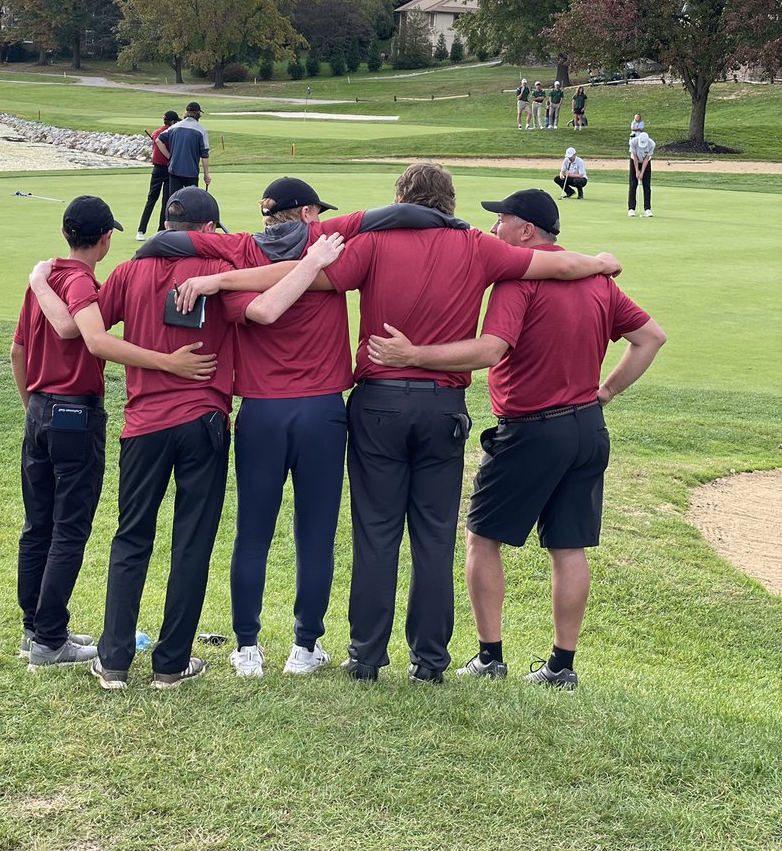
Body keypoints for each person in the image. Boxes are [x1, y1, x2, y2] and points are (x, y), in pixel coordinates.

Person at [196, 164, 623, 683]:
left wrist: (221, 278)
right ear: (448, 202)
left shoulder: (375, 243)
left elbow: (299, 276)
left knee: (375, 533)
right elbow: (557, 267)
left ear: (401, 199)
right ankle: (429, 662)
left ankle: (367, 657)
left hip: (377, 404)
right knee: (435, 537)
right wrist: (600, 262)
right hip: (442, 407)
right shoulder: (477, 247)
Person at [140, 178, 467, 679]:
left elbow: (173, 241)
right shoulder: (327, 244)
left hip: (262, 413)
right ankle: (304, 647)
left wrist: (160, 253)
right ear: (309, 211)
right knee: (314, 534)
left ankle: (247, 648)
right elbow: (392, 215)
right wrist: (451, 222)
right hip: (321, 412)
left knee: (253, 532)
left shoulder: (239, 254)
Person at [29, 188, 344, 690]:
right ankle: (171, 664)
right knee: (191, 543)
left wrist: (40, 284)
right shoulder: (225, 258)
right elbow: (272, 282)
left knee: (131, 539)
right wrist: (313, 258)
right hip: (204, 422)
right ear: (210, 228)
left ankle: (113, 662)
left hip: (143, 425)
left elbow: (76, 329)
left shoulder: (131, 269)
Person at [366, 188, 666, 690]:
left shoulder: (517, 279)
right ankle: (561, 667)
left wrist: (412, 355)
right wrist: (606, 391)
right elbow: (651, 337)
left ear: (526, 231)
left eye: (501, 220)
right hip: (588, 427)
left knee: (481, 537)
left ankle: (490, 656)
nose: (494, 228)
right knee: (568, 546)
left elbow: (489, 351)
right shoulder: (597, 280)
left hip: (531, 430)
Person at [12, 195, 211, 672]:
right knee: (68, 528)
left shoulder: (47, 278)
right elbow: (86, 336)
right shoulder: (79, 282)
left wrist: (33, 409)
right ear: (105, 240)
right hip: (73, 413)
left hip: (38, 410)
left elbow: (17, 352)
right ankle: (49, 638)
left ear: (65, 234)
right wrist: (169, 363)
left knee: (38, 525)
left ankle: (36, 628)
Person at [136, 110, 178, 242]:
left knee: (151, 199)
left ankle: (141, 230)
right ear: (172, 122)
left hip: (157, 170)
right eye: (175, 121)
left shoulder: (156, 133)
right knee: (165, 201)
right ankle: (161, 230)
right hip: (168, 169)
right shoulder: (172, 133)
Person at [157, 102, 211, 195]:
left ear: (186, 112)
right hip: (191, 172)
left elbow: (158, 140)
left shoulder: (174, 127)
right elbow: (205, 155)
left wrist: (170, 157)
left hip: (174, 170)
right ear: (198, 114)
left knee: (174, 201)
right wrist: (206, 175)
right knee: (191, 202)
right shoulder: (201, 130)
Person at [628, 130, 656, 217]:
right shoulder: (633, 142)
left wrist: (642, 173)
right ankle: (631, 209)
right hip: (634, 162)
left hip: (645, 163)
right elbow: (635, 157)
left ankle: (647, 209)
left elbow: (646, 159)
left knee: (647, 186)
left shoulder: (652, 144)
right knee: (633, 185)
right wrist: (637, 171)